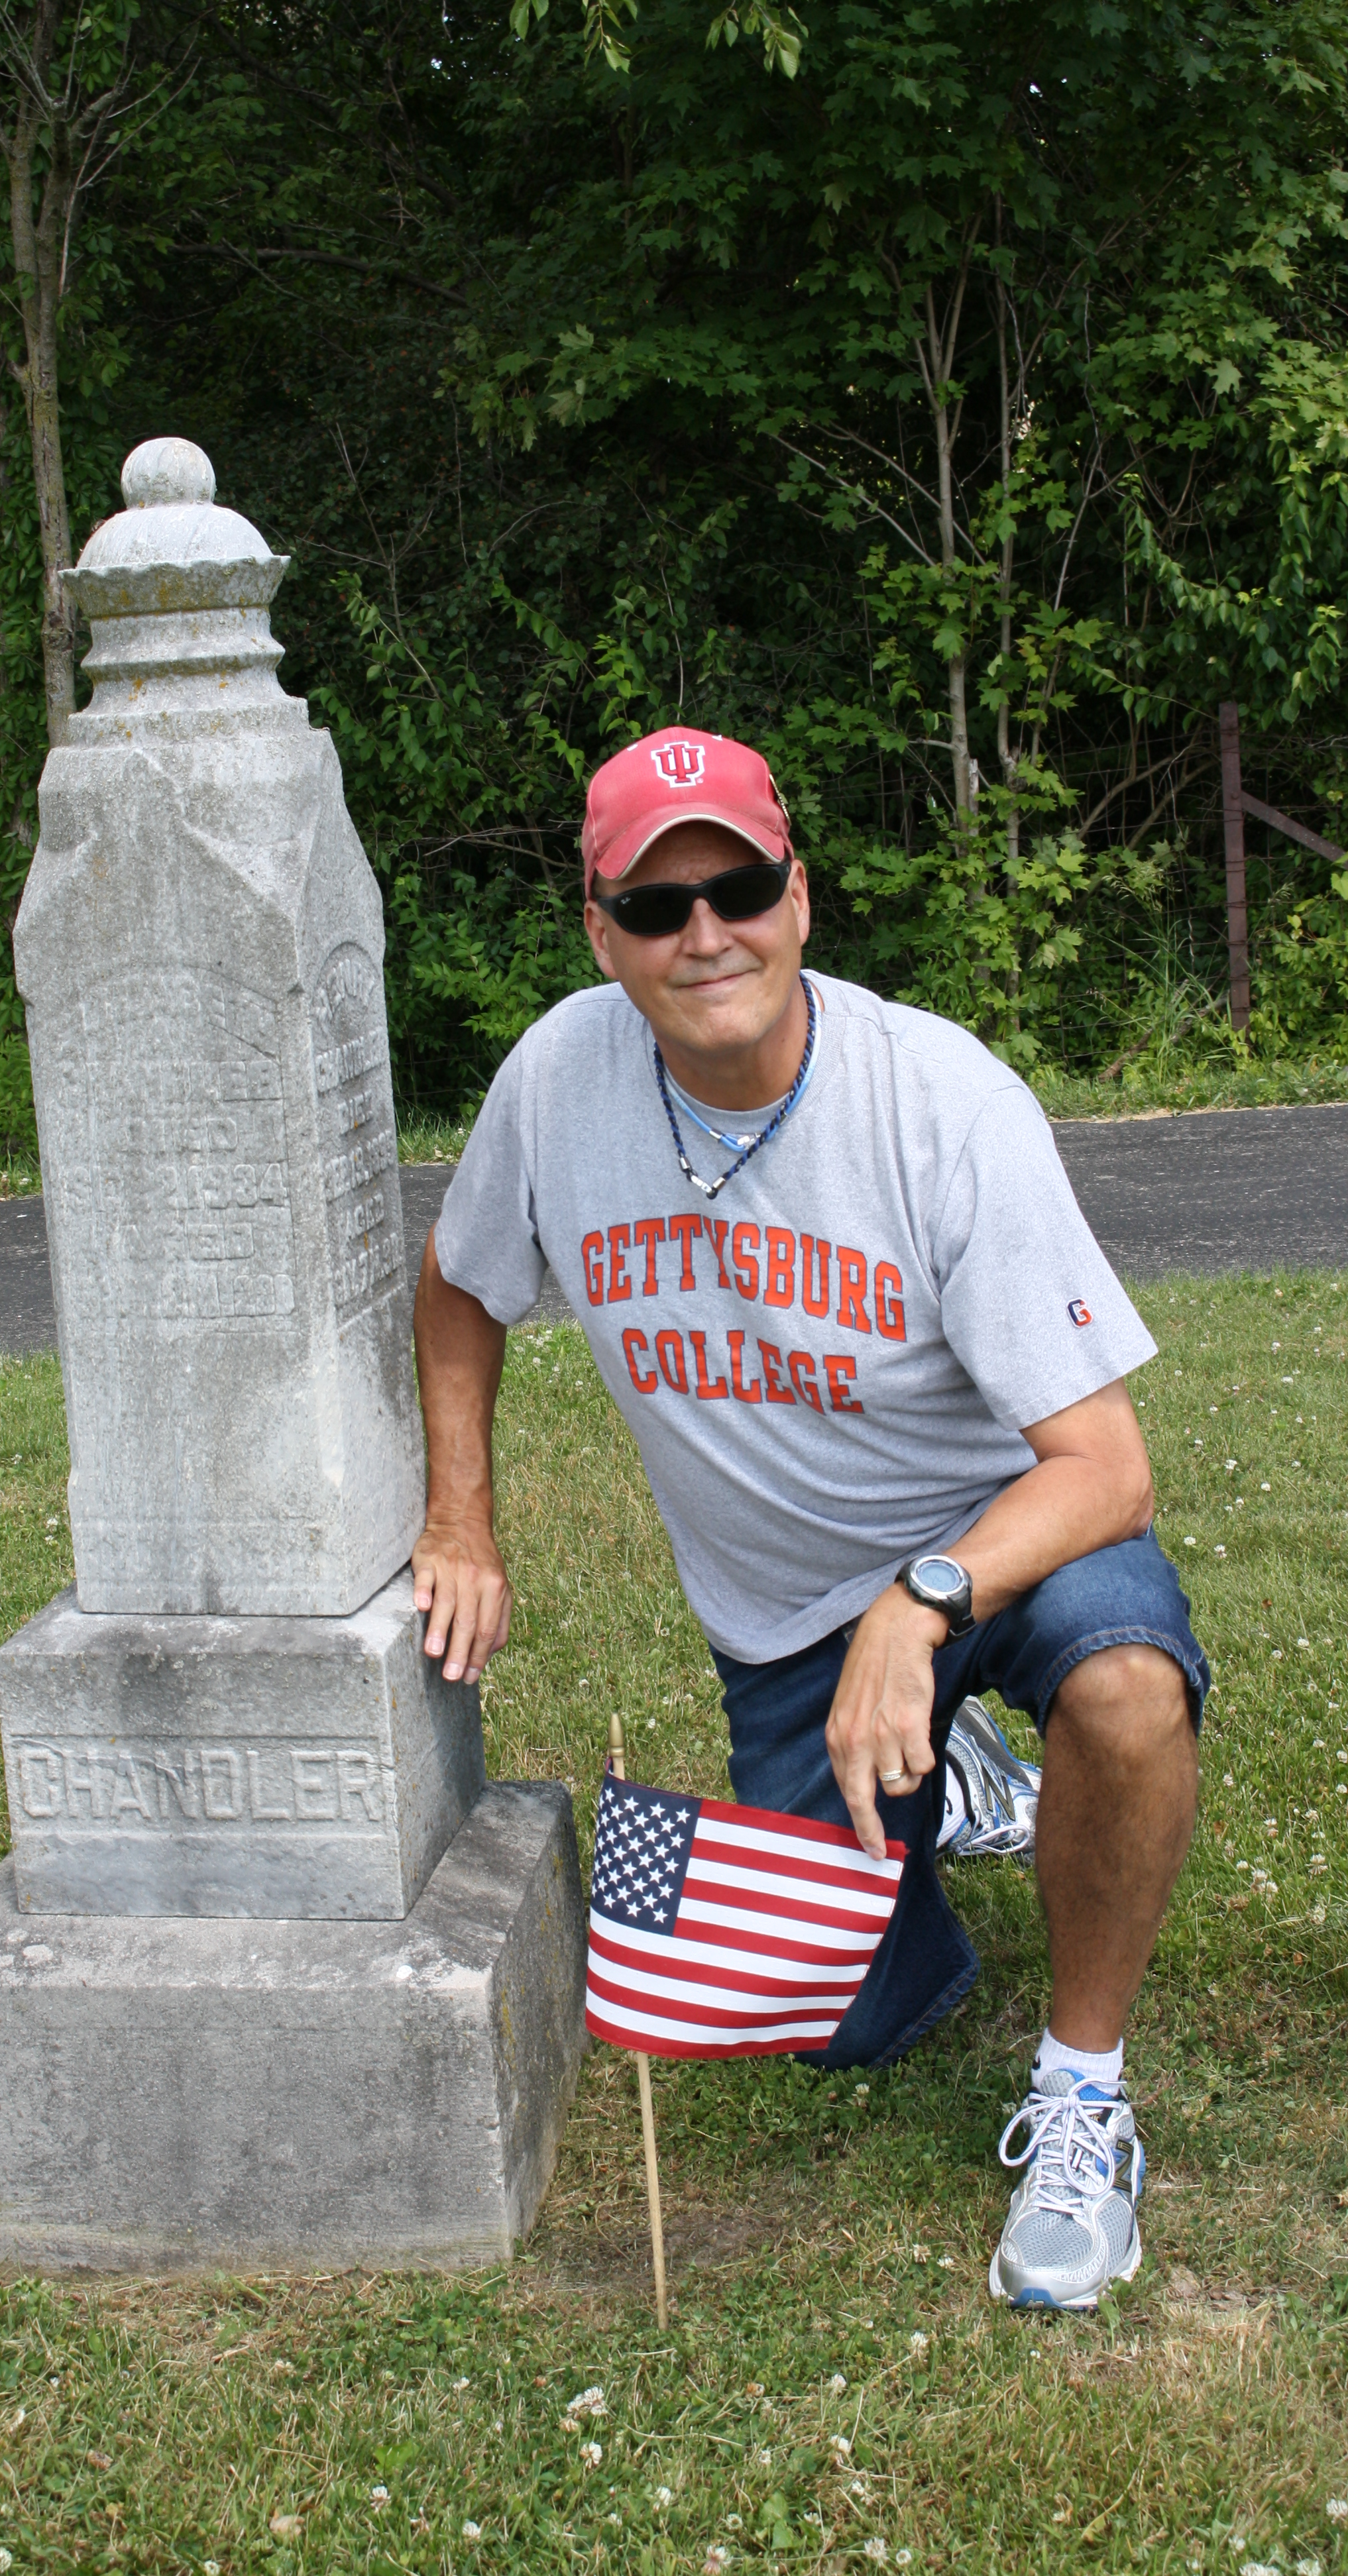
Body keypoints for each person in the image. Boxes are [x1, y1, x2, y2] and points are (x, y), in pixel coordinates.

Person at [410, 726, 1206, 2312]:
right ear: (600, 930)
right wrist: (462, 1519)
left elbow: (1109, 1467)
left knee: (1124, 1692)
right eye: (656, 904)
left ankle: (1079, 2093)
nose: (704, 931)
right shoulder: (558, 1083)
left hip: (1002, 1537)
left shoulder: (940, 1100)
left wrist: (919, 1606)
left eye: (738, 884)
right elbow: (456, 1290)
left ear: (799, 898)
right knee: (843, 2016)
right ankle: (957, 1780)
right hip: (786, 1627)